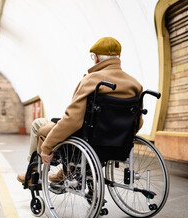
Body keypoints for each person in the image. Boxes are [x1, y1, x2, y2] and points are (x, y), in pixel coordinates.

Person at [17, 37, 143, 183]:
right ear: (119, 57)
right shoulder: (135, 85)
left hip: (88, 139)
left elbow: (72, 120)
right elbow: (137, 122)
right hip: (119, 143)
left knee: (38, 124)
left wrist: (46, 147)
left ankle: (33, 173)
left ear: (95, 58)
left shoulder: (91, 81)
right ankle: (64, 173)